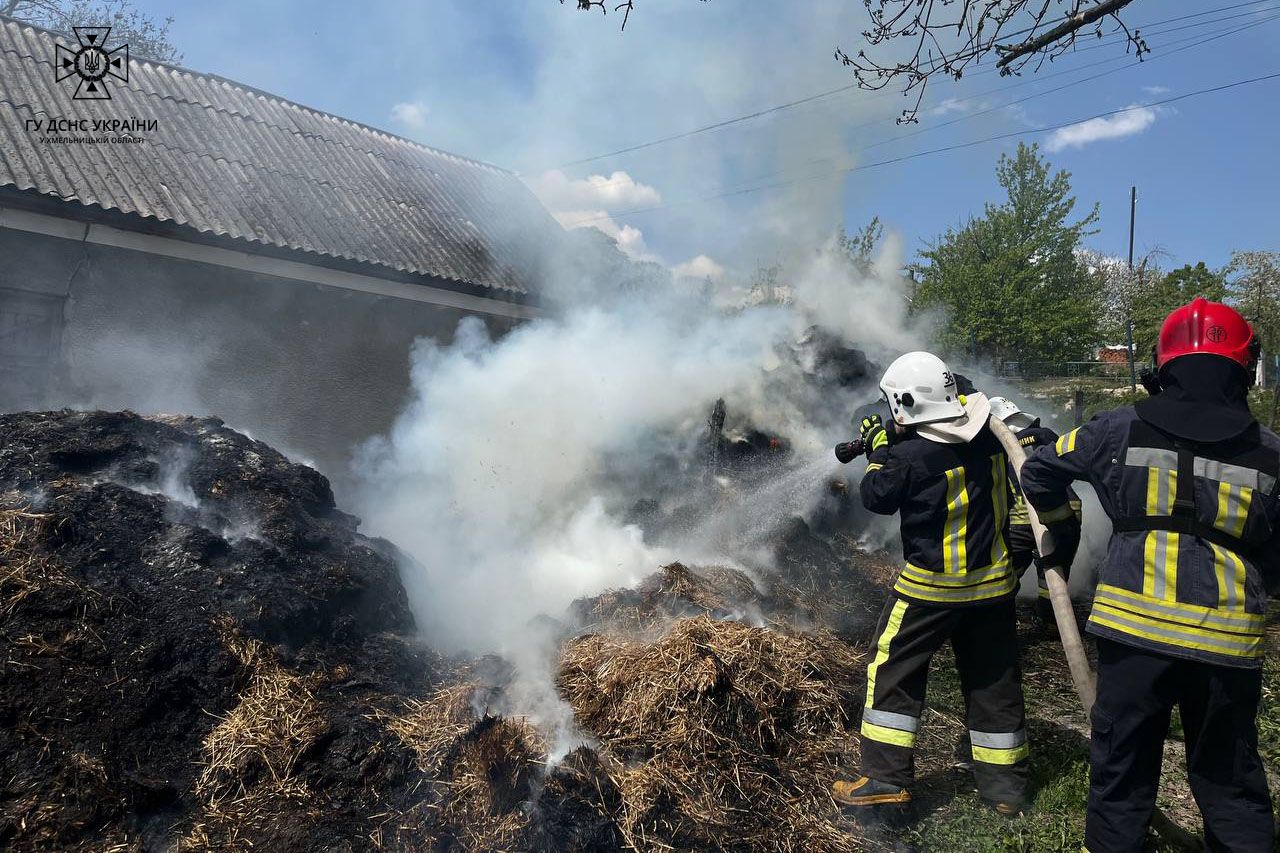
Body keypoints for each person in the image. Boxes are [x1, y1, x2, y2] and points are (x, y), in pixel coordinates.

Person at [1021, 298, 1279, 852]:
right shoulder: (1270, 454)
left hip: (1134, 640)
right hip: (1228, 647)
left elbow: (1039, 469)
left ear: (1161, 369)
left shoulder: (1116, 430)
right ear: (1245, 367)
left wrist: (1063, 529)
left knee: (1122, 776)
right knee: (1232, 785)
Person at [831, 352, 1079, 816]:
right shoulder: (989, 440)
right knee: (994, 681)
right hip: (992, 588)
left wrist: (879, 448)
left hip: (930, 590)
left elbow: (877, 495)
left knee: (892, 673)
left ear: (905, 405)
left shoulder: (907, 457)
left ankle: (885, 777)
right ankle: (1004, 789)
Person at [988, 396, 1082, 628]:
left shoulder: (998, 444)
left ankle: (996, 623)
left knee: (1007, 572)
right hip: (1067, 510)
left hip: (1023, 515)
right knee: (1054, 569)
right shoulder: (1045, 435)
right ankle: (1050, 622)